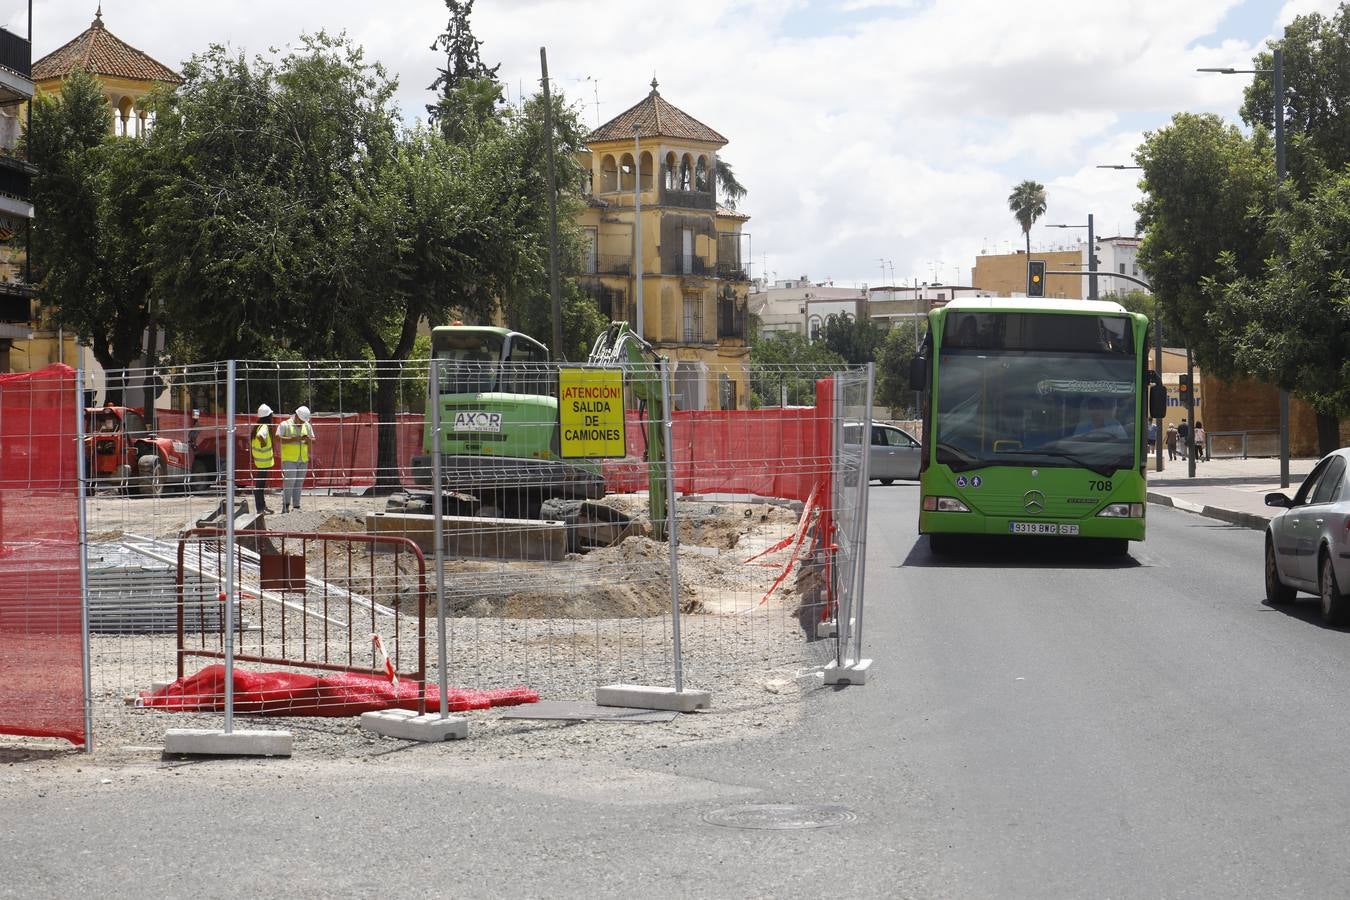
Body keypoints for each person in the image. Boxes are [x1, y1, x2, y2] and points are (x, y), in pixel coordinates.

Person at [277, 405, 314, 514]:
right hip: (289, 459)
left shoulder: (307, 425)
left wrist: (308, 439)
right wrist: (293, 439)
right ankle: (285, 505)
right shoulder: (285, 424)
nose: (302, 423)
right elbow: (277, 437)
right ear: (296, 415)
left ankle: (296, 506)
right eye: (301, 420)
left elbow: (313, 439)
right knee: (290, 482)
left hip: (303, 459)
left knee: (299, 483)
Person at [250, 403, 276, 514]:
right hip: (263, 461)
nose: (272, 416)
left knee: (260, 485)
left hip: (260, 461)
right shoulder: (264, 427)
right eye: (271, 415)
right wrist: (264, 443)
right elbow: (261, 436)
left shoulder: (258, 426)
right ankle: (260, 509)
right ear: (268, 416)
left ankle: (262, 507)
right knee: (259, 486)